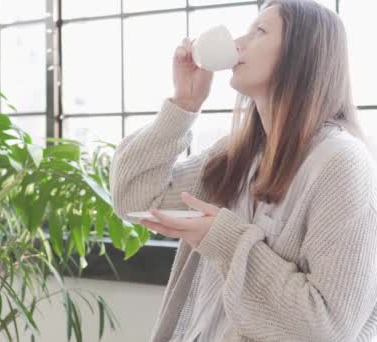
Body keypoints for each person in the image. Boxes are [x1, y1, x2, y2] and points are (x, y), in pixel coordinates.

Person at [109, 0, 377, 341]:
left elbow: (328, 328)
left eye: (260, 31)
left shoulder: (341, 164)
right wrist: (184, 103)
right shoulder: (238, 153)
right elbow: (134, 196)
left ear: (303, 54)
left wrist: (222, 239)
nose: (238, 42)